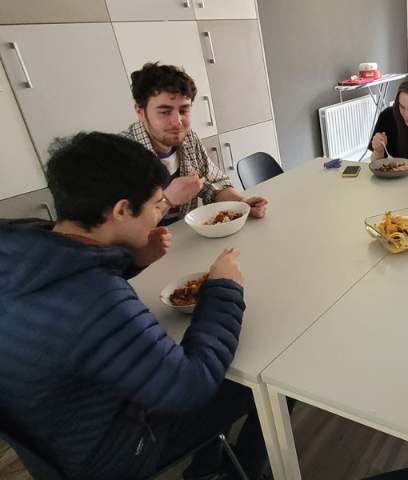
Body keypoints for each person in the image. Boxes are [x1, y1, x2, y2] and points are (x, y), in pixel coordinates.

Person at [0, 132, 269, 480]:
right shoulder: (96, 298)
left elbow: (67, 296)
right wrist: (222, 288)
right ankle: (234, 470)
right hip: (114, 453)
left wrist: (129, 260)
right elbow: (190, 384)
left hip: (55, 441)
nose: (161, 214)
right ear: (122, 210)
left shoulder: (24, 243)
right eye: (158, 204)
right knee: (261, 377)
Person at [124, 62, 268, 225]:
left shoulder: (189, 139)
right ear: (140, 112)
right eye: (165, 112)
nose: (177, 122)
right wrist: (167, 200)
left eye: (184, 110)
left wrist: (242, 203)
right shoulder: (118, 155)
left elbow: (214, 185)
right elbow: (118, 231)